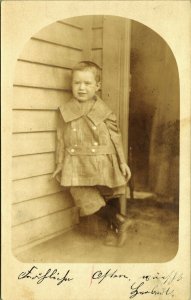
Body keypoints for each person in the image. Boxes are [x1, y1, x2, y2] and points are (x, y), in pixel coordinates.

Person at [52, 61, 132, 247]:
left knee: (107, 193)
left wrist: (122, 162)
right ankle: (120, 220)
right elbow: (61, 139)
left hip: (102, 158)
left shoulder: (104, 111)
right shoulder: (65, 111)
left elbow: (115, 136)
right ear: (71, 84)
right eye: (77, 83)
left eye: (87, 84)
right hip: (76, 161)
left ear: (97, 86)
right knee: (79, 191)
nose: (81, 88)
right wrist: (59, 163)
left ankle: (113, 231)